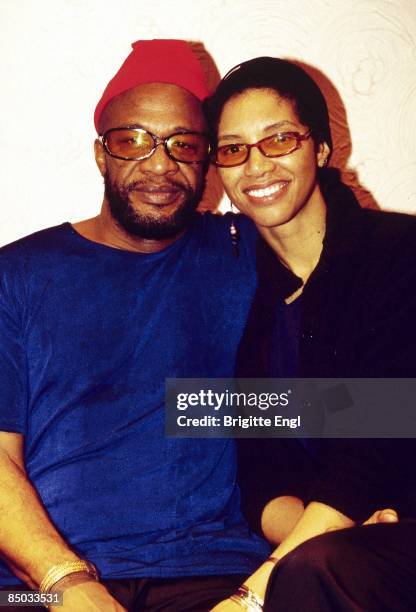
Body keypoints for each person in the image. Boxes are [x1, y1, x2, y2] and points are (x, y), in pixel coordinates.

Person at [0, 40, 272, 612]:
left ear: (207, 159)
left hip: (214, 579)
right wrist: (68, 584)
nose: (159, 164)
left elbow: (363, 399)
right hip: (33, 587)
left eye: (183, 144)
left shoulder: (246, 254)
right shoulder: (16, 274)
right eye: (133, 141)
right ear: (101, 154)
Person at [206, 57, 416, 611]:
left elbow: (376, 441)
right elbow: (259, 477)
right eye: (232, 149)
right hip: (345, 542)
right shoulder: (246, 300)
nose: (256, 167)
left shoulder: (398, 256)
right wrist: (329, 531)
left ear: (320, 148)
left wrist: (254, 593)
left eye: (278, 140)